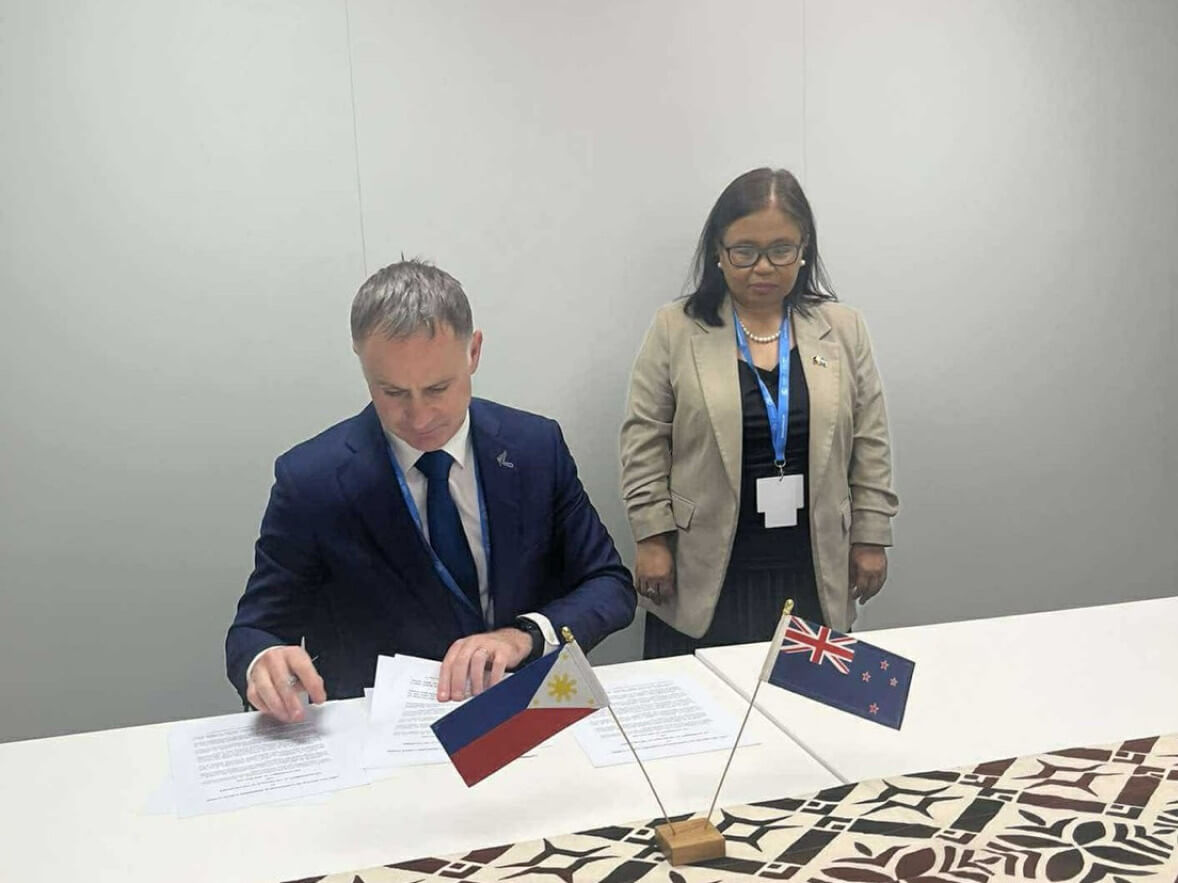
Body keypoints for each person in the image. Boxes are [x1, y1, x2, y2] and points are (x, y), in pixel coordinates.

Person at [228, 260, 635, 721]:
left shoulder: (536, 447)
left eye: (438, 387)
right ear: (362, 364)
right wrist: (265, 662)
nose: (420, 418)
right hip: (386, 732)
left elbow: (610, 585)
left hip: (532, 711)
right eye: (393, 393)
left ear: (474, 352)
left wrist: (524, 636)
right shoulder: (311, 480)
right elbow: (256, 629)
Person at [620, 168, 898, 658]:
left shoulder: (843, 329)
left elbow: (870, 442)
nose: (762, 267)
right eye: (744, 252)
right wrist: (652, 539)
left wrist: (871, 537)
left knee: (804, 713)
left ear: (803, 248)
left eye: (780, 250)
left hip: (811, 566)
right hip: (703, 568)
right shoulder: (676, 328)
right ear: (718, 253)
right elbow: (644, 442)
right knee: (705, 720)